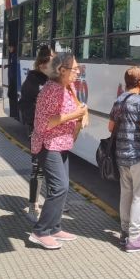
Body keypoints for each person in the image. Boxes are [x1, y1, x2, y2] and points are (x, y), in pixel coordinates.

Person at [28, 52, 87, 250]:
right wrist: (74, 115)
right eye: (75, 68)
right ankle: (41, 231)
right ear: (61, 70)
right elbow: (43, 124)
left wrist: (82, 113)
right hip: (49, 144)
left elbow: (77, 108)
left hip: (62, 143)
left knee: (63, 187)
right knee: (59, 187)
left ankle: (54, 227)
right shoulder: (50, 90)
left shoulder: (68, 87)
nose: (78, 72)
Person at [108, 66, 140, 252]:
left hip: (121, 156)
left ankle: (124, 233)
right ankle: (135, 238)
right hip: (139, 156)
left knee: (126, 193)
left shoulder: (119, 100)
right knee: (139, 197)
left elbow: (110, 127)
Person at [20, 45, 53, 222]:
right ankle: (33, 206)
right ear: (42, 65)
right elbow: (24, 106)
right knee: (38, 167)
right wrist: (35, 126)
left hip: (51, 129)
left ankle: (54, 201)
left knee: (53, 166)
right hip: (36, 128)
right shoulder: (33, 82)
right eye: (51, 62)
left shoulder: (53, 80)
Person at [7, 44, 20, 121]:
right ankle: (15, 113)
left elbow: (14, 66)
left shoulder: (15, 56)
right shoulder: (12, 55)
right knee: (11, 95)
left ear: (14, 47)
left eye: (10, 47)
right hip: (12, 79)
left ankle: (16, 113)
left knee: (12, 95)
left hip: (14, 79)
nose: (9, 48)